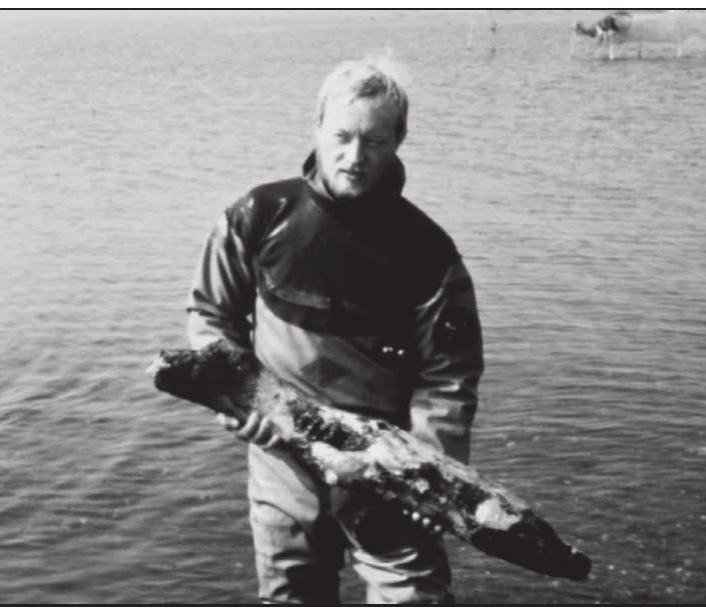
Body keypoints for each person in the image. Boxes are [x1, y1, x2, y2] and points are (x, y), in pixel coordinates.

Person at [185, 58, 484, 604]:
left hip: (390, 472)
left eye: (374, 140)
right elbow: (211, 317)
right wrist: (239, 400)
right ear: (317, 126)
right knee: (291, 595)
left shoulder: (428, 253)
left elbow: (450, 380)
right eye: (342, 136)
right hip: (282, 460)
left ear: (400, 139)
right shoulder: (258, 216)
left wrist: (427, 475)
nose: (354, 157)